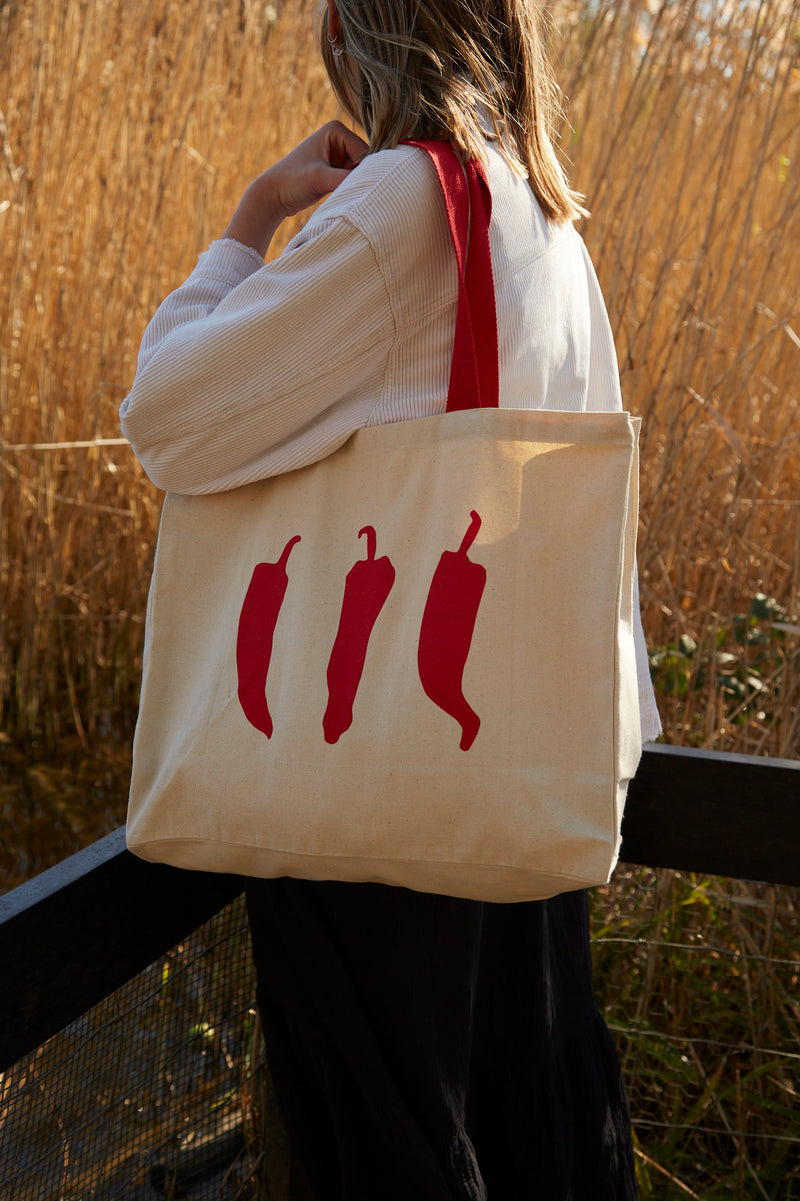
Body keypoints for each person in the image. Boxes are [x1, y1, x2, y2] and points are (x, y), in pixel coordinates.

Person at [121, 2, 661, 1197]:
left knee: (384, 1142)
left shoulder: (404, 200)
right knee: (526, 1129)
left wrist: (251, 220)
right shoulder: (543, 216)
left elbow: (167, 419)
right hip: (513, 776)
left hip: (371, 786)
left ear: (366, 34)